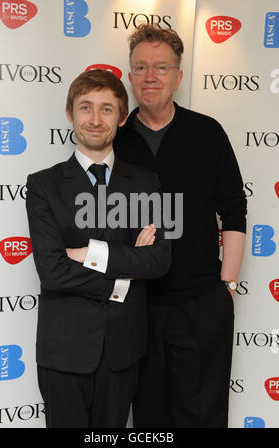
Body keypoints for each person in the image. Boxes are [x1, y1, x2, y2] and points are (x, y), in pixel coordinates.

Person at [113, 24, 247, 428]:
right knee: (149, 419)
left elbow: (235, 210)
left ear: (178, 76)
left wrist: (227, 285)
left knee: (203, 416)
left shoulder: (207, 133)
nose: (150, 76)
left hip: (201, 304)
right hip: (136, 306)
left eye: (161, 67)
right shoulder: (113, 140)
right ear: (130, 75)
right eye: (141, 67)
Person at [25, 69, 171, 428]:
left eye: (107, 109)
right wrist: (123, 281)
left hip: (123, 350)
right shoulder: (43, 185)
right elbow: (52, 270)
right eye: (85, 107)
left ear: (122, 117)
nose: (94, 119)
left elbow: (159, 259)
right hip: (64, 351)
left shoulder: (148, 183)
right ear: (70, 113)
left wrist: (89, 253)